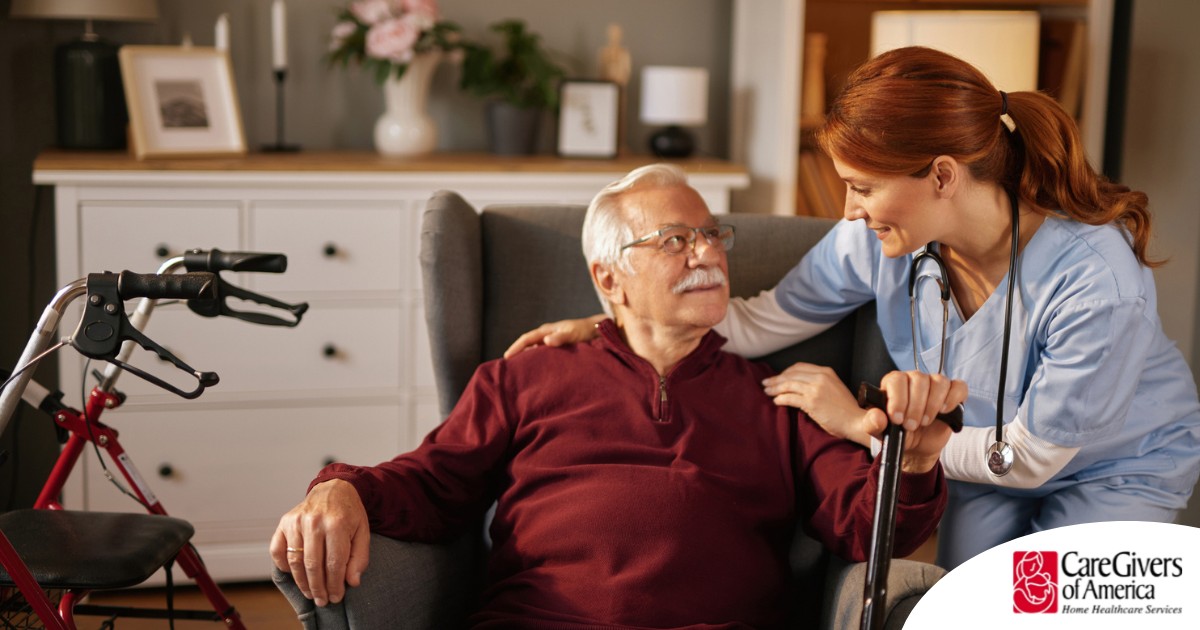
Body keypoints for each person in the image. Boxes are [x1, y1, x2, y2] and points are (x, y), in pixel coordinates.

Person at [504, 46, 1200, 570]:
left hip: (1113, 460)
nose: (847, 210)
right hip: (975, 454)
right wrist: (619, 327)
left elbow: (1030, 459)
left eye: (862, 186)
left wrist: (861, 426)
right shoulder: (876, 241)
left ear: (942, 175)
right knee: (964, 602)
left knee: (1054, 605)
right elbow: (756, 320)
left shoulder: (1093, 281)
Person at [271, 163, 954, 628]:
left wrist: (917, 460)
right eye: (675, 241)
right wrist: (340, 488)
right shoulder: (523, 377)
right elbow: (432, 482)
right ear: (611, 277)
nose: (707, 255)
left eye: (713, 235)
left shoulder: (779, 398)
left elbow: (868, 526)